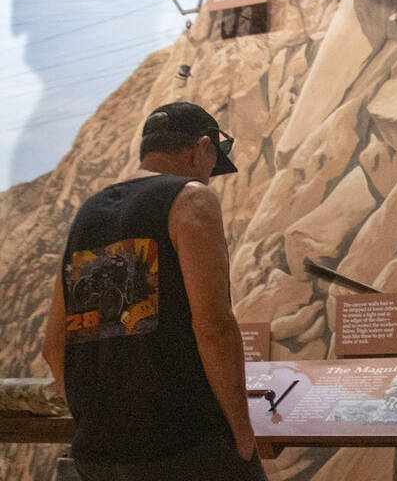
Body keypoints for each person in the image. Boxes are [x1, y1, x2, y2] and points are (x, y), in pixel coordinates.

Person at [41, 102, 265, 481]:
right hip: (183, 447)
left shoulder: (89, 213)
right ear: (204, 149)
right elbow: (213, 328)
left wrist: (96, 420)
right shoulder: (191, 198)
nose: (210, 177)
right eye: (212, 165)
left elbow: (53, 345)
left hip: (99, 452)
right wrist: (242, 435)